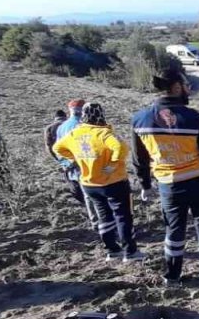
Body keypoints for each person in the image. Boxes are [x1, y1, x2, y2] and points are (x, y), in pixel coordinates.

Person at [132, 65, 199, 297]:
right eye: (186, 85)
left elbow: (140, 158)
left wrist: (145, 184)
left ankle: (173, 277)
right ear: (176, 88)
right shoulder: (193, 117)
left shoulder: (140, 119)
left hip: (168, 186)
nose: (188, 89)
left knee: (174, 232)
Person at [52, 103, 142, 262]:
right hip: (113, 182)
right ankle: (130, 252)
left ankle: (112, 251)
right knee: (122, 216)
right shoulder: (104, 133)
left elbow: (57, 148)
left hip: (89, 184)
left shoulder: (74, 133)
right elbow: (122, 148)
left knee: (104, 217)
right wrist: (113, 164)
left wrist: (76, 159)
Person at [55, 100, 97, 226]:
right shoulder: (86, 125)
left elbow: (58, 149)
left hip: (73, 167)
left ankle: (95, 221)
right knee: (94, 194)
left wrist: (67, 164)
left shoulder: (62, 127)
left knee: (86, 194)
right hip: (89, 164)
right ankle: (102, 221)